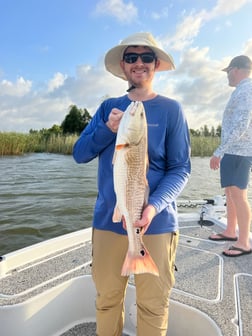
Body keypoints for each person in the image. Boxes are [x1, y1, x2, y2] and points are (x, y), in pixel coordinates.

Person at [73, 32, 191, 336]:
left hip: (157, 222)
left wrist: (153, 207)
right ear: (123, 66)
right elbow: (80, 154)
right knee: (107, 299)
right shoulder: (107, 108)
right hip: (109, 220)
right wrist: (106, 129)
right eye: (131, 57)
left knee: (153, 304)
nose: (139, 63)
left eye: (146, 57)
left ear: (156, 64)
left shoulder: (171, 110)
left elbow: (180, 169)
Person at [209, 55, 252, 257]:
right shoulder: (242, 90)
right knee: (230, 193)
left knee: (238, 195)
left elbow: (242, 125)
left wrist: (219, 150)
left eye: (227, 71)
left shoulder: (247, 89)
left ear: (235, 69)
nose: (227, 76)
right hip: (234, 151)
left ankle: (244, 242)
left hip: (238, 151)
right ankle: (230, 231)